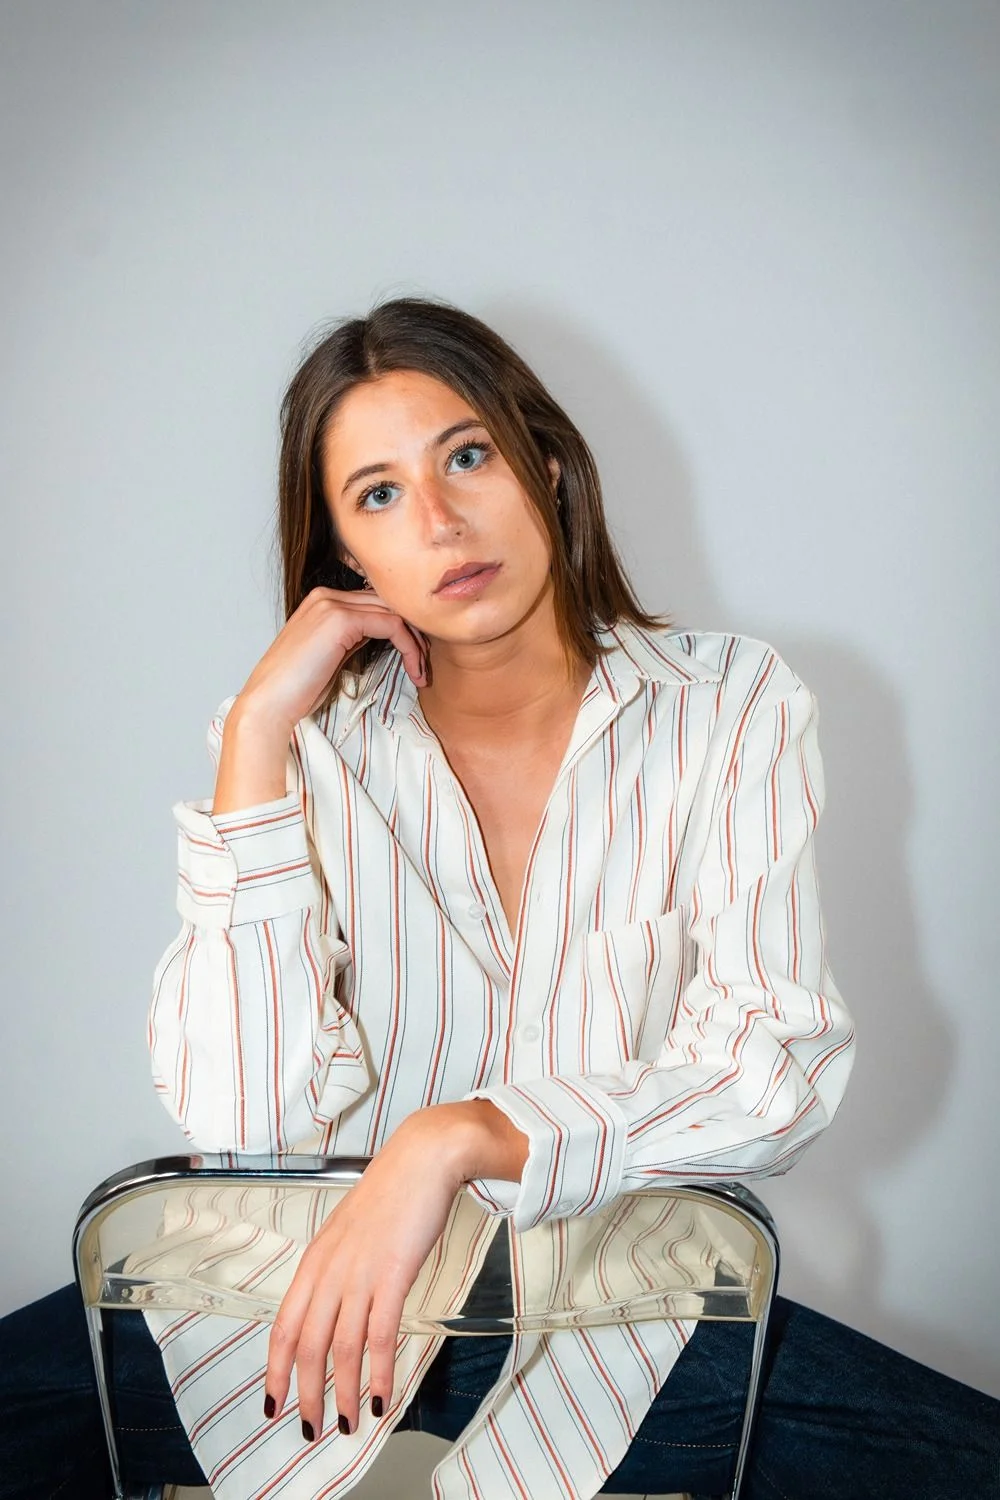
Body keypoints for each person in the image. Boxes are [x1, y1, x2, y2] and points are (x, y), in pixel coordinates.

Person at [1, 296, 998, 1500]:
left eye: (466, 456)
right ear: (346, 557)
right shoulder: (295, 750)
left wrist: (457, 1135)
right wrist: (258, 731)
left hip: (615, 1317)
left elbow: (770, 1064)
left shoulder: (732, 708)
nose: (439, 521)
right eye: (378, 494)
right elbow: (242, 1114)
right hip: (274, 1315)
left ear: (549, 466)